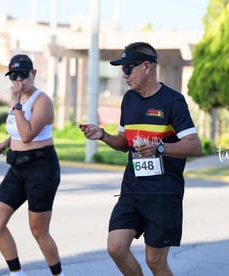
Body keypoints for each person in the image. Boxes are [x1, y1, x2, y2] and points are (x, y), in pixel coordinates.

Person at [80, 42, 202, 276]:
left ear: (146, 66)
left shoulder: (173, 101)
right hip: (132, 189)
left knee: (155, 261)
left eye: (128, 68)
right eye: (122, 69)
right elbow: (124, 142)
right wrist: (103, 135)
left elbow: (194, 146)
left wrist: (160, 148)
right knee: (116, 247)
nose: (123, 74)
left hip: (164, 193)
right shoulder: (129, 100)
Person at [0, 54, 64, 276]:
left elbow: (28, 134)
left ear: (34, 74)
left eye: (23, 75)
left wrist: (16, 106)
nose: (18, 80)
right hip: (18, 166)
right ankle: (16, 273)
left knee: (38, 230)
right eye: (13, 76)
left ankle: (58, 274)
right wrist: (4, 143)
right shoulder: (18, 100)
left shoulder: (42, 101)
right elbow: (17, 133)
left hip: (42, 168)